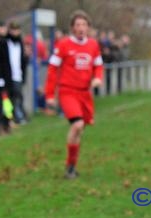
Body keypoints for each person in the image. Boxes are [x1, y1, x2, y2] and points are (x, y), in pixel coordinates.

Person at [44, 10, 103, 179]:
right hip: (68, 91)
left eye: (84, 24)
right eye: (78, 25)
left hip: (84, 94)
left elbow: (98, 66)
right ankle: (69, 166)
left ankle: (71, 166)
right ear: (72, 28)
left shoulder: (93, 45)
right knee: (77, 125)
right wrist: (49, 95)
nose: (81, 28)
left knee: (80, 131)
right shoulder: (63, 45)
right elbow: (53, 70)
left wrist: (97, 79)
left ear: (88, 27)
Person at [0, 20, 28, 132]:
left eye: (17, 29)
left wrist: (23, 76)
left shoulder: (20, 43)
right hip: (5, 79)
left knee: (12, 103)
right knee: (3, 103)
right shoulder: (3, 43)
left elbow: (22, 62)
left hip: (17, 77)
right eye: (13, 29)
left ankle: (7, 124)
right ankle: (0, 126)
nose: (15, 32)